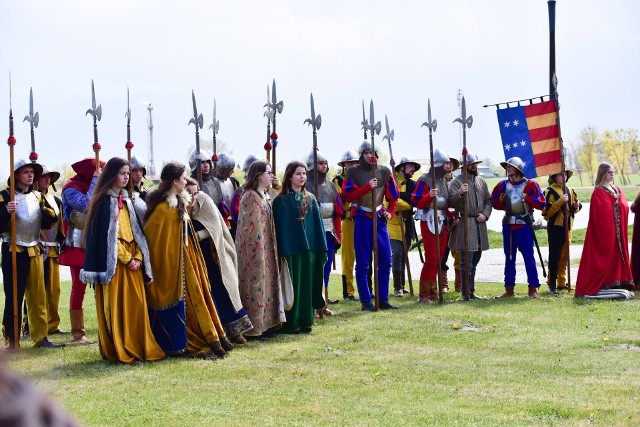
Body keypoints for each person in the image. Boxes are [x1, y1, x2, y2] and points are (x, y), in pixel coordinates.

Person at [144, 162, 233, 359]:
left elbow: (185, 234)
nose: (186, 181)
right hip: (173, 265)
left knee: (198, 298)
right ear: (175, 181)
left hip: (187, 261)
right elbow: (156, 240)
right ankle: (178, 342)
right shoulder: (162, 210)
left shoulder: (178, 203)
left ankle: (205, 335)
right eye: (183, 178)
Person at [80, 157, 165, 364]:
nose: (127, 177)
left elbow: (137, 233)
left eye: (128, 173)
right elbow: (106, 238)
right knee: (118, 307)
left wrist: (138, 256)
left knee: (136, 305)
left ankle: (138, 344)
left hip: (131, 261)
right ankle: (121, 347)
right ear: (111, 175)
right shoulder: (102, 203)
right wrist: (127, 259)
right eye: (122, 173)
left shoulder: (127, 200)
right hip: (116, 263)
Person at [0, 160, 62, 349]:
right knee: (14, 297)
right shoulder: (4, 196)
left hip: (35, 249)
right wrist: (5, 212)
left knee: (38, 296)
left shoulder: (38, 196)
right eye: (26, 172)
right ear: (16, 175)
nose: (30, 175)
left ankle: (41, 337)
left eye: (32, 172)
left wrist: (43, 212)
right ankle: (13, 340)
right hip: (13, 249)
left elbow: (49, 221)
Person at [185, 177, 253, 345]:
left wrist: (198, 236)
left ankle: (236, 331)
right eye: (189, 193)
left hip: (213, 254)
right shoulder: (179, 206)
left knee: (223, 289)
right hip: (193, 257)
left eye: (195, 193)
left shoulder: (204, 200)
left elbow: (216, 226)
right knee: (206, 293)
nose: (193, 197)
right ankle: (216, 331)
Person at [343, 141, 399, 311]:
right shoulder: (353, 172)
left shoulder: (383, 171)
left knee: (386, 260)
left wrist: (391, 211)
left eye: (371, 152)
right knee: (362, 263)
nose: (369, 155)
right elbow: (348, 196)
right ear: (361, 155)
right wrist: (367, 187)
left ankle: (383, 298)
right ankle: (366, 300)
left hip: (380, 219)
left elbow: (393, 195)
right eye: (366, 152)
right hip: (362, 218)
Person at [273, 161, 328, 333]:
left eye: (304, 173)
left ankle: (306, 321)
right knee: (292, 286)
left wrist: (319, 248)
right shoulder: (280, 202)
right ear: (289, 176)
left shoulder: (310, 199)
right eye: (298, 173)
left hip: (309, 251)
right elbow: (279, 228)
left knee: (307, 285)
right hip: (290, 251)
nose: (302, 177)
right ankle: (291, 322)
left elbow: (317, 226)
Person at [235, 160, 286, 336]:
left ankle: (267, 324)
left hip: (266, 247)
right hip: (253, 251)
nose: (272, 176)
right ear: (258, 175)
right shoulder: (249, 196)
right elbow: (250, 227)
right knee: (255, 285)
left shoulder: (264, 194)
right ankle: (254, 327)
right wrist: (258, 249)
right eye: (268, 172)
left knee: (267, 285)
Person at [58, 157, 104, 345]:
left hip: (97, 241)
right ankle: (78, 334)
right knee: (79, 287)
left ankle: (107, 329)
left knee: (102, 286)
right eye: (98, 171)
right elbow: (86, 205)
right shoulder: (71, 188)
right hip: (77, 243)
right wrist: (95, 180)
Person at [575, 163, 635, 297]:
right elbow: (599, 214)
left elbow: (624, 205)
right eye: (609, 172)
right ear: (602, 173)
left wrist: (618, 205)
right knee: (606, 254)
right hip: (606, 232)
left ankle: (618, 281)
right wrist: (614, 207)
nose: (612, 174)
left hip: (618, 230)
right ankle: (605, 282)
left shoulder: (616, 188)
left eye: (613, 172)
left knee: (618, 254)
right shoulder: (598, 192)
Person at [491, 157, 546, 298]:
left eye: (510, 166)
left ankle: (533, 289)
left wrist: (527, 198)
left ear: (518, 169)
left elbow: (541, 203)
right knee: (509, 258)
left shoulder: (530, 185)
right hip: (508, 225)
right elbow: (495, 204)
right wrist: (500, 200)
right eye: (507, 167)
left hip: (524, 226)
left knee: (529, 257)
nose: (507, 169)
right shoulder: (502, 185)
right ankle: (509, 290)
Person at [411, 149, 455, 303]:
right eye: (446, 164)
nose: (448, 167)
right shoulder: (424, 180)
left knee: (439, 258)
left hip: (442, 222)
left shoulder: (443, 181)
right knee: (431, 258)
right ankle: (423, 295)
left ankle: (433, 292)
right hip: (428, 220)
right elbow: (416, 202)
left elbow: (445, 205)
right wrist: (428, 196)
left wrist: (453, 216)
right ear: (438, 165)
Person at [447, 152, 492, 300]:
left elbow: (488, 200)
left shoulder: (481, 181)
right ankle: (465, 293)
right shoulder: (457, 182)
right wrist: (459, 193)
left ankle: (471, 291)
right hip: (465, 223)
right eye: (471, 164)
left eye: (475, 164)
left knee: (475, 259)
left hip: (479, 224)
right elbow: (450, 202)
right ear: (464, 166)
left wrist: (485, 214)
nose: (474, 166)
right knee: (466, 260)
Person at [306, 150, 343, 313]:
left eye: (325, 163)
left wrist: (338, 233)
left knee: (325, 266)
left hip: (328, 230)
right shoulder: (305, 185)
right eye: (320, 163)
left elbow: (338, 210)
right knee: (312, 267)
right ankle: (311, 306)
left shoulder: (330, 186)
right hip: (312, 231)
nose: (324, 166)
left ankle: (323, 303)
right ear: (312, 166)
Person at [542, 170, 582, 294]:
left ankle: (561, 283)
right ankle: (551, 284)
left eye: (565, 174)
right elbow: (547, 212)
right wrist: (560, 201)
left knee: (565, 256)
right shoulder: (549, 191)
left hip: (568, 227)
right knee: (554, 256)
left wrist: (576, 206)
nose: (564, 176)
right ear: (554, 176)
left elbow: (577, 206)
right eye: (561, 174)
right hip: (555, 227)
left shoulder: (570, 190)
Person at [37, 165, 66, 335]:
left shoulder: (56, 200)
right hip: (37, 249)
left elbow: (60, 226)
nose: (47, 179)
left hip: (53, 249)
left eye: (49, 177)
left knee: (54, 290)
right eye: (43, 176)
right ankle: (30, 325)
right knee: (37, 291)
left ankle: (53, 325)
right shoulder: (31, 198)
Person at [388, 157, 420, 297]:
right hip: (392, 222)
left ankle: (402, 285)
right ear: (401, 167)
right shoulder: (390, 181)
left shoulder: (413, 184)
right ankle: (397, 288)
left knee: (403, 255)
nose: (413, 169)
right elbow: (388, 200)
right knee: (396, 254)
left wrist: (400, 197)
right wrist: (404, 201)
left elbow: (416, 199)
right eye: (410, 166)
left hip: (407, 223)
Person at [332, 149, 359, 301]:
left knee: (365, 255)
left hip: (362, 219)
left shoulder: (363, 178)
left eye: (355, 162)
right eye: (349, 163)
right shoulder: (338, 180)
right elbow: (341, 199)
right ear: (344, 165)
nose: (352, 165)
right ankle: (348, 292)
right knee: (348, 257)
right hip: (348, 221)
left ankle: (367, 289)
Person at [213, 153, 241, 229]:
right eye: (230, 170)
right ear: (224, 170)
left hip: (233, 221)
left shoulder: (233, 181)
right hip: (220, 221)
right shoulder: (211, 183)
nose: (233, 172)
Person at [129, 155, 149, 221]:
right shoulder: (125, 192)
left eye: (140, 170)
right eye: (135, 170)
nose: (138, 173)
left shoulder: (147, 193)